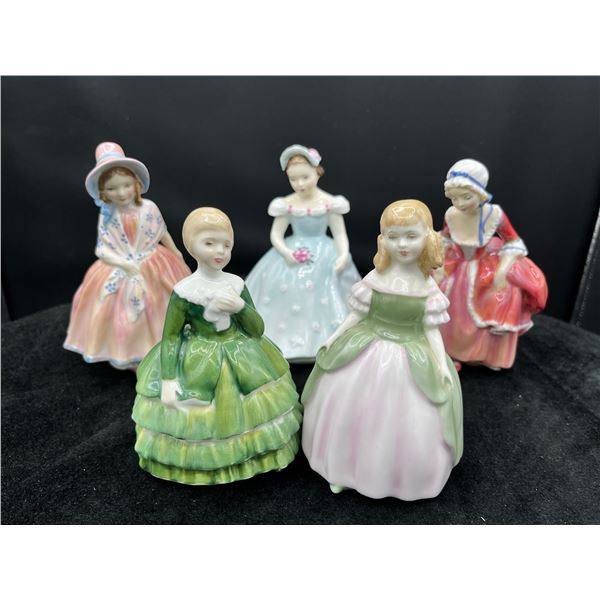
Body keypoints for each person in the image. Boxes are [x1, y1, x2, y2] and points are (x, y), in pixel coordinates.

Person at [301, 200, 463, 501]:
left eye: (411, 236)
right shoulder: (376, 278)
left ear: (427, 237)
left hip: (412, 354)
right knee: (347, 404)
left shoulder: (427, 287)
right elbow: (356, 315)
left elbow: (431, 330)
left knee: (409, 415)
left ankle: (398, 477)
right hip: (366, 343)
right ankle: (340, 468)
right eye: (393, 236)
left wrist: (441, 364)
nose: (402, 244)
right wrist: (333, 337)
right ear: (383, 239)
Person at [132, 207, 302, 485]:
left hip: (241, 353)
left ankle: (254, 455)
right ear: (191, 247)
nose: (219, 251)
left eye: (226, 244)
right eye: (209, 243)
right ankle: (202, 466)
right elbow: (172, 336)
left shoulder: (236, 284)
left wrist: (240, 307)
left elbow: (256, 330)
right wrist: (168, 379)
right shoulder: (185, 291)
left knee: (253, 406)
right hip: (199, 357)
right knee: (200, 413)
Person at [64, 142, 190, 370]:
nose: (121, 193)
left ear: (136, 184)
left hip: (154, 262)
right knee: (122, 312)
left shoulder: (149, 208)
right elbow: (102, 249)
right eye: (112, 188)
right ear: (103, 192)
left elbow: (162, 232)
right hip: (121, 267)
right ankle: (133, 354)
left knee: (160, 304)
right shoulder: (107, 215)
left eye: (126, 185)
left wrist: (177, 253)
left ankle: (168, 346)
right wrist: (124, 264)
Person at [245, 144, 360, 362]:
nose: (300, 184)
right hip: (293, 250)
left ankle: (325, 340)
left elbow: (339, 234)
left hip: (325, 251)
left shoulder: (330, 203)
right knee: (283, 290)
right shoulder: (286, 204)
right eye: (293, 179)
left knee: (328, 288)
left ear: (317, 172)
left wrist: (343, 254)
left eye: (305, 177)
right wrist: (286, 252)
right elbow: (276, 235)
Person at [437, 159, 548, 370]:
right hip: (459, 266)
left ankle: (483, 354)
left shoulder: (493, 214)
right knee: (448, 305)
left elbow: (513, 241)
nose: (460, 203)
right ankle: (450, 350)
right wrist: (440, 264)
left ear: (480, 193)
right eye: (454, 198)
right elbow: (445, 239)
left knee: (500, 294)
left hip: (483, 266)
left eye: (466, 197)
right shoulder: (451, 215)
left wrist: (503, 268)